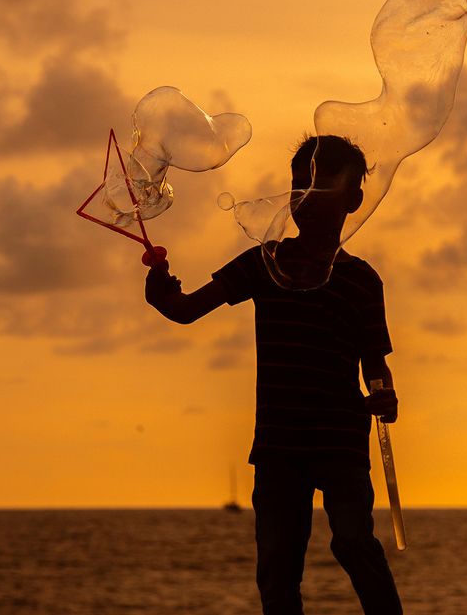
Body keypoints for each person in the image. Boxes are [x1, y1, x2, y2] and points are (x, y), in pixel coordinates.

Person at [144, 134, 403, 615]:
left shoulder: (362, 280)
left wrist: (385, 395)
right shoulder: (266, 263)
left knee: (352, 542)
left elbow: (376, 365)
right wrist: (162, 292)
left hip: (340, 440)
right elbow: (185, 310)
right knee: (277, 571)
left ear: (354, 201)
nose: (304, 196)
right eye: (297, 185)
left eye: (321, 187)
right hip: (279, 446)